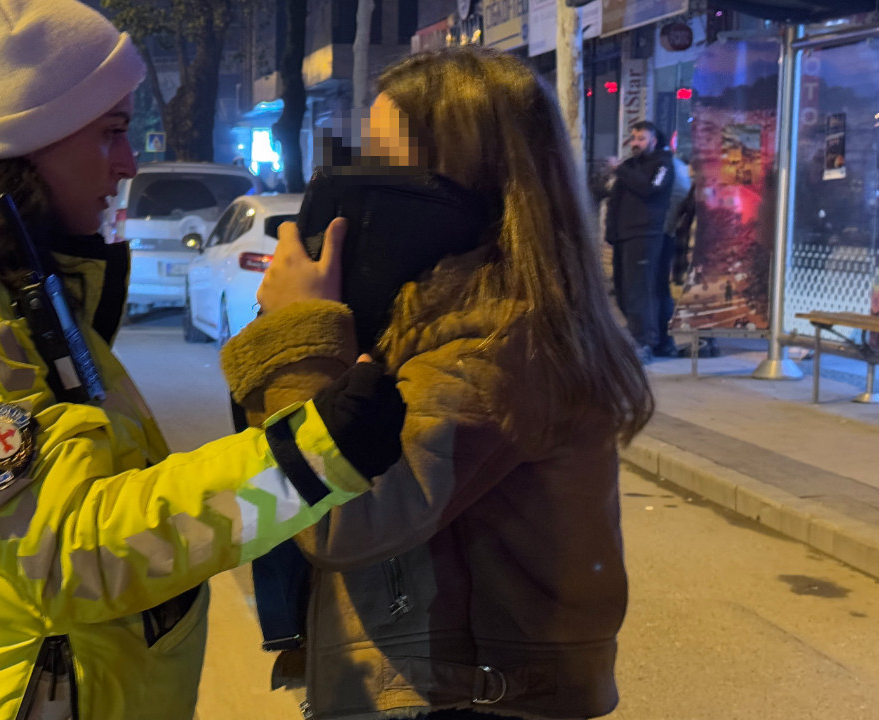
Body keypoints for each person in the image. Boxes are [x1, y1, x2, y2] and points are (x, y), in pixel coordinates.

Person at [0, 2, 406, 719]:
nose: (129, 163)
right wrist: (310, 455)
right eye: (110, 135)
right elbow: (77, 549)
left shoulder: (6, 280)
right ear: (30, 141)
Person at [220, 47, 654, 720]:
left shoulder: (498, 338)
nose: (360, 187)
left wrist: (300, 339)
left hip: (460, 700)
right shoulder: (428, 311)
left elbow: (337, 524)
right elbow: (265, 493)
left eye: (387, 167)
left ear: (465, 182)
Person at [600, 120, 675, 364]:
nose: (635, 143)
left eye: (641, 138)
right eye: (633, 138)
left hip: (645, 235)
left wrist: (620, 170)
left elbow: (649, 188)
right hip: (624, 236)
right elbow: (613, 197)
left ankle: (645, 342)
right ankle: (651, 339)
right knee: (623, 290)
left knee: (639, 291)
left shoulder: (662, 164)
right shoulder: (631, 165)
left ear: (654, 140)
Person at [655, 152, 693, 357]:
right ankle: (664, 338)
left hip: (663, 234)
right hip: (670, 235)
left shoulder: (665, 166)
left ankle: (664, 339)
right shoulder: (677, 168)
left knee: (659, 290)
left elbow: (654, 189)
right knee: (661, 290)